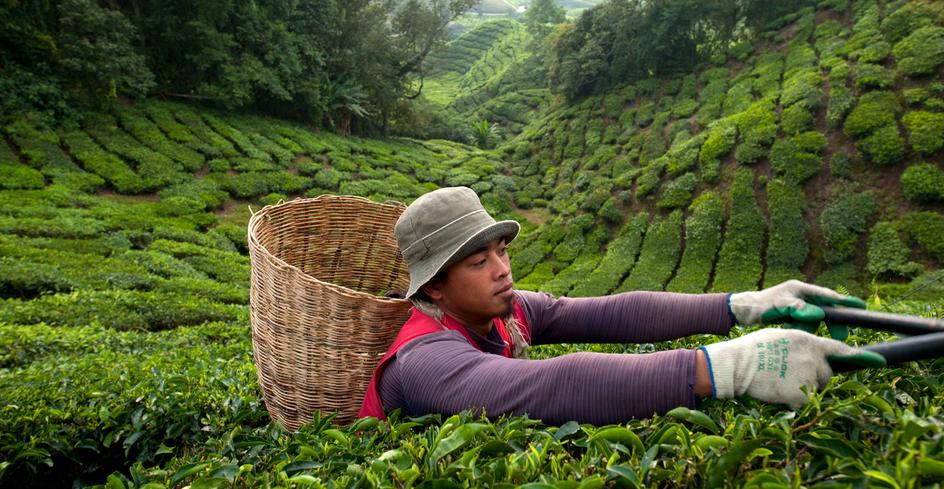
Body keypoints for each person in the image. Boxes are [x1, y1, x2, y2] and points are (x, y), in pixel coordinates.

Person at [358, 187, 885, 424]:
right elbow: (549, 385)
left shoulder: (507, 311)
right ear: (433, 288)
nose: (502, 269)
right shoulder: (425, 360)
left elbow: (615, 312)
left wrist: (744, 306)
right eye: (478, 261)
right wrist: (730, 367)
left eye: (501, 250)